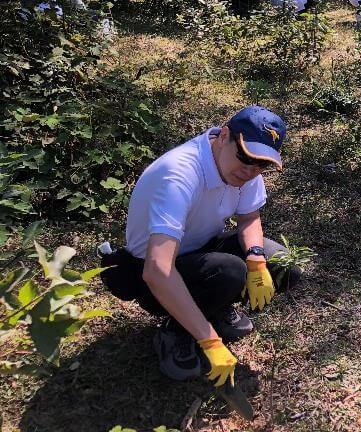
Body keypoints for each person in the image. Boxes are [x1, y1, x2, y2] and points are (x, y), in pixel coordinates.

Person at [99, 105, 302, 386]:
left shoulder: (245, 172)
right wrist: (210, 341)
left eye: (262, 164)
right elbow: (157, 269)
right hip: (152, 274)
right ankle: (177, 329)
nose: (251, 169)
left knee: (281, 265)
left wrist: (256, 261)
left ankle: (211, 307)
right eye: (244, 155)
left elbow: (249, 217)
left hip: (201, 249)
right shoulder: (178, 174)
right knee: (230, 271)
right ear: (224, 135)